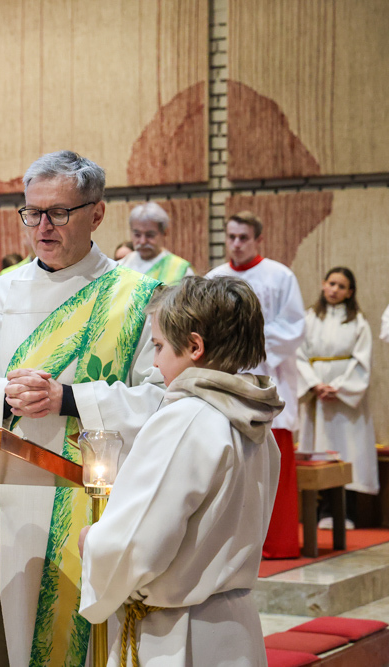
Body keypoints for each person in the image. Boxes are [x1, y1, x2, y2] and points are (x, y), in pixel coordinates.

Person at [0, 150, 164, 665]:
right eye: (32, 213)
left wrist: (69, 398)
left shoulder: (139, 298)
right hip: (20, 503)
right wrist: (1, 395)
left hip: (107, 504)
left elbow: (165, 401)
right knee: (17, 637)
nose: (42, 227)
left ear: (96, 214)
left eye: (58, 212)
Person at [79, 276, 282, 667]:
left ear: (193, 346)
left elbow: (138, 543)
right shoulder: (254, 421)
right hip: (233, 627)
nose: (155, 363)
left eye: (158, 346)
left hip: (176, 634)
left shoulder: (185, 419)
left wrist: (93, 543)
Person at [207, 211, 306, 559]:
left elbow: (293, 328)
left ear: (258, 239)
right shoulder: (214, 278)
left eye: (243, 238)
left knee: (274, 467)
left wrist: (247, 347)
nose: (236, 244)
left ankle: (278, 544)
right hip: (228, 381)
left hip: (271, 378)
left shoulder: (280, 276)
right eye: (231, 237)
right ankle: (234, 547)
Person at [297, 267, 378, 521]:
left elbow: (362, 358)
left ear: (350, 292)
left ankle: (346, 513)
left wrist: (340, 388)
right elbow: (299, 354)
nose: (334, 290)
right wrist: (315, 384)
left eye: (341, 286)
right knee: (320, 450)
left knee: (347, 450)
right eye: (331, 284)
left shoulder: (357, 321)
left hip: (345, 401)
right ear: (323, 284)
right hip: (317, 396)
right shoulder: (310, 318)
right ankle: (322, 511)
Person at [118, 202, 194, 284]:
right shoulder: (121, 266)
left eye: (150, 235)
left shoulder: (180, 270)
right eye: (137, 235)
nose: (143, 241)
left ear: (164, 233)